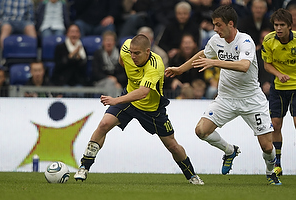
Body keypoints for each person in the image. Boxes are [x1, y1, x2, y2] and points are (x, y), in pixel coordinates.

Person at [165, 5, 281, 185]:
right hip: (226, 98)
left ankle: (270, 171)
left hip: (251, 100)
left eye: (218, 25)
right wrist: (180, 69)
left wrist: (215, 62)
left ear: (230, 24)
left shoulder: (246, 41)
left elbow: (243, 66)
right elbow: (203, 53)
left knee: (267, 146)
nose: (215, 29)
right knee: (201, 131)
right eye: (214, 24)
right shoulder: (215, 40)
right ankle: (229, 150)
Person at [74, 34, 204, 185]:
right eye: (131, 53)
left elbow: (143, 93)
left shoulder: (156, 65)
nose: (133, 56)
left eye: (137, 53)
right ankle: (84, 166)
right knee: (103, 124)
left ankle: (192, 176)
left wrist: (115, 100)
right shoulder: (126, 47)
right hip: (129, 99)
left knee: (172, 145)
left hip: (152, 109)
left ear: (147, 51)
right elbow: (122, 60)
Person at [261, 8, 296, 176]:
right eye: (276, 25)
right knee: (275, 124)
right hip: (279, 88)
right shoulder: (268, 40)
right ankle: (278, 164)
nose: (279, 28)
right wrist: (279, 75)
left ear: (290, 26)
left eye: (282, 25)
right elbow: (267, 64)